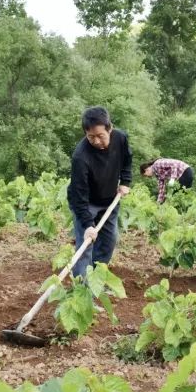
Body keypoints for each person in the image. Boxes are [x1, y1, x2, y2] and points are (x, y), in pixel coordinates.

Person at [67, 106, 132, 279]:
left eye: (100, 136)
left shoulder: (121, 138)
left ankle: (95, 279)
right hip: (86, 203)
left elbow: (127, 160)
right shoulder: (80, 157)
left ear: (109, 129)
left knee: (109, 241)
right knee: (85, 245)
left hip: (109, 200)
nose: (96, 141)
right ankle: (81, 289)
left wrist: (125, 181)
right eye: (91, 137)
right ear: (85, 134)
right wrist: (88, 224)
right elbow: (78, 196)